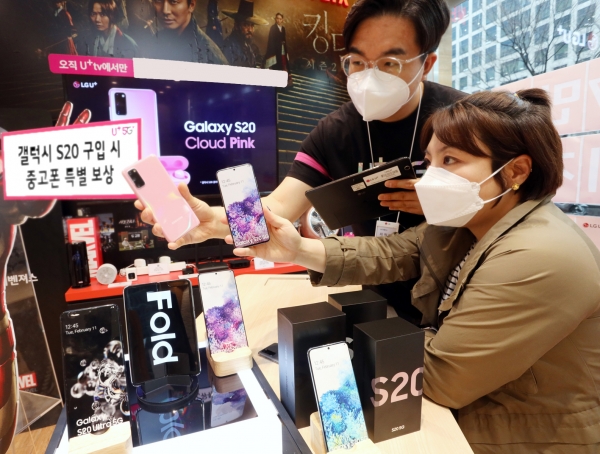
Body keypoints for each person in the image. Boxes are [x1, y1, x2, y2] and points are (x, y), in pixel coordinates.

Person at [225, 89, 600, 453]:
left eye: (450, 160)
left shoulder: (536, 256)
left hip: (518, 432)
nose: (430, 178)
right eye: (430, 162)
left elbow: (445, 378)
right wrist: (297, 249)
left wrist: (337, 359)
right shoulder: (467, 224)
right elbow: (392, 252)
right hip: (473, 410)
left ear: (516, 171)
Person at [136, 0, 465, 324]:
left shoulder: (466, 121)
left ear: (427, 63)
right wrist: (215, 221)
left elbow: (495, 210)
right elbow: (278, 207)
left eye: (389, 63)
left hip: (461, 297)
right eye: (357, 61)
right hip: (380, 297)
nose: (369, 76)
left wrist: (450, 202)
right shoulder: (335, 132)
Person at [142, 0, 228, 64]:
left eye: (174, 1)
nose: (165, 10)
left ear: (191, 5)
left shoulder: (210, 58)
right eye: (158, 0)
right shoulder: (155, 40)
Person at [221, 0, 268, 68]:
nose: (250, 30)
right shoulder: (229, 47)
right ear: (236, 26)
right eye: (246, 25)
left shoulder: (247, 45)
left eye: (252, 26)